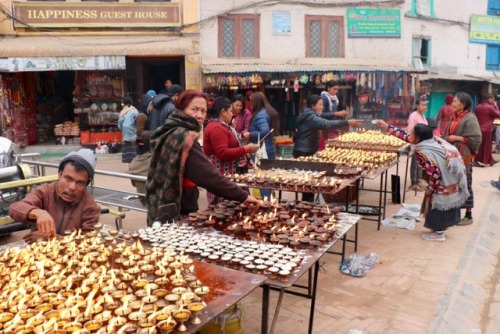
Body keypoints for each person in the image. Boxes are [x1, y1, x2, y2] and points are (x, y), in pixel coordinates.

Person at [146, 89, 260, 223]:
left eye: (203, 111)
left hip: (159, 200)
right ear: (181, 109)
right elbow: (208, 176)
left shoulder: (170, 129)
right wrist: (243, 196)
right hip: (177, 204)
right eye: (194, 109)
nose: (199, 115)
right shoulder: (184, 137)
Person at [376, 122, 469, 241]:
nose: (409, 136)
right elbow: (406, 136)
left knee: (438, 203)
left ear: (418, 138)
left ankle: (439, 232)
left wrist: (430, 189)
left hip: (444, 180)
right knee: (439, 203)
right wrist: (386, 126)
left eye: (412, 134)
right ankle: (440, 229)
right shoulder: (430, 141)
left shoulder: (425, 152)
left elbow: (435, 174)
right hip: (451, 178)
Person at [9, 149, 100, 243]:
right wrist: (38, 213)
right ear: (60, 175)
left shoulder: (90, 207)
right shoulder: (44, 192)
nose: (72, 187)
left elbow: (88, 241)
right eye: (68, 179)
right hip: (37, 252)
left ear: (86, 184)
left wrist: (53, 239)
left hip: (70, 256)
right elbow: (14, 208)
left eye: (80, 183)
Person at [293, 95, 361, 202]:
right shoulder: (311, 117)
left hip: (304, 149)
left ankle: (307, 203)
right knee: (307, 182)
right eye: (320, 105)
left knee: (308, 181)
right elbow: (326, 124)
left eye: (322, 105)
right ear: (313, 106)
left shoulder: (308, 114)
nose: (322, 107)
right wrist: (347, 122)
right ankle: (306, 204)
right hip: (303, 151)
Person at [203, 97, 259, 205]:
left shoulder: (225, 126)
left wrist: (247, 157)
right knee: (223, 208)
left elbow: (236, 142)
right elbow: (222, 153)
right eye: (230, 111)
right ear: (223, 112)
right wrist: (246, 149)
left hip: (231, 175)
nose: (232, 114)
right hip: (222, 177)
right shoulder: (216, 128)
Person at [442, 92, 482, 226]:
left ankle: (468, 215)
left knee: (466, 184)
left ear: (463, 105)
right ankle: (453, 214)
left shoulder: (470, 118)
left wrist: (457, 138)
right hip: (452, 155)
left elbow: (476, 139)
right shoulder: (454, 117)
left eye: (455, 102)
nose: (452, 104)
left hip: (463, 157)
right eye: (452, 101)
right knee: (453, 184)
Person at [243, 92, 280, 199]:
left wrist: (250, 134)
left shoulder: (260, 115)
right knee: (267, 176)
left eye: (251, 101)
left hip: (262, 150)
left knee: (262, 177)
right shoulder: (266, 111)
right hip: (267, 148)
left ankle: (265, 201)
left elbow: (265, 131)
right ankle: (267, 198)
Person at [128, 90, 156, 203]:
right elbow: (139, 132)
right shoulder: (142, 116)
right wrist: (151, 134)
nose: (152, 107)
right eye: (151, 104)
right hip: (143, 143)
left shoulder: (146, 115)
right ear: (146, 104)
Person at [407, 97, 429, 192]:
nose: (425, 107)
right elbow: (411, 130)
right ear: (417, 106)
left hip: (423, 144)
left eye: (425, 105)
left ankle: (419, 181)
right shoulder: (413, 115)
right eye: (423, 105)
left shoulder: (422, 116)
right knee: (415, 163)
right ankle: (414, 182)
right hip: (417, 143)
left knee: (420, 164)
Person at [474, 93, 500, 167]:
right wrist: (496, 106)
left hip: (479, 128)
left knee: (481, 145)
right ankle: (478, 160)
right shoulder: (490, 107)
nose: (493, 100)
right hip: (487, 128)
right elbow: (498, 114)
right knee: (487, 145)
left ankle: (490, 160)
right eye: (492, 99)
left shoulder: (478, 107)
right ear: (489, 99)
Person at [118, 96, 139, 164]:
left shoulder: (123, 111)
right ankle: (134, 165)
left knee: (128, 152)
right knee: (134, 152)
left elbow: (120, 124)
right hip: (134, 134)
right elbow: (138, 121)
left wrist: (123, 130)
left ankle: (130, 165)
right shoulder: (135, 110)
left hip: (126, 135)